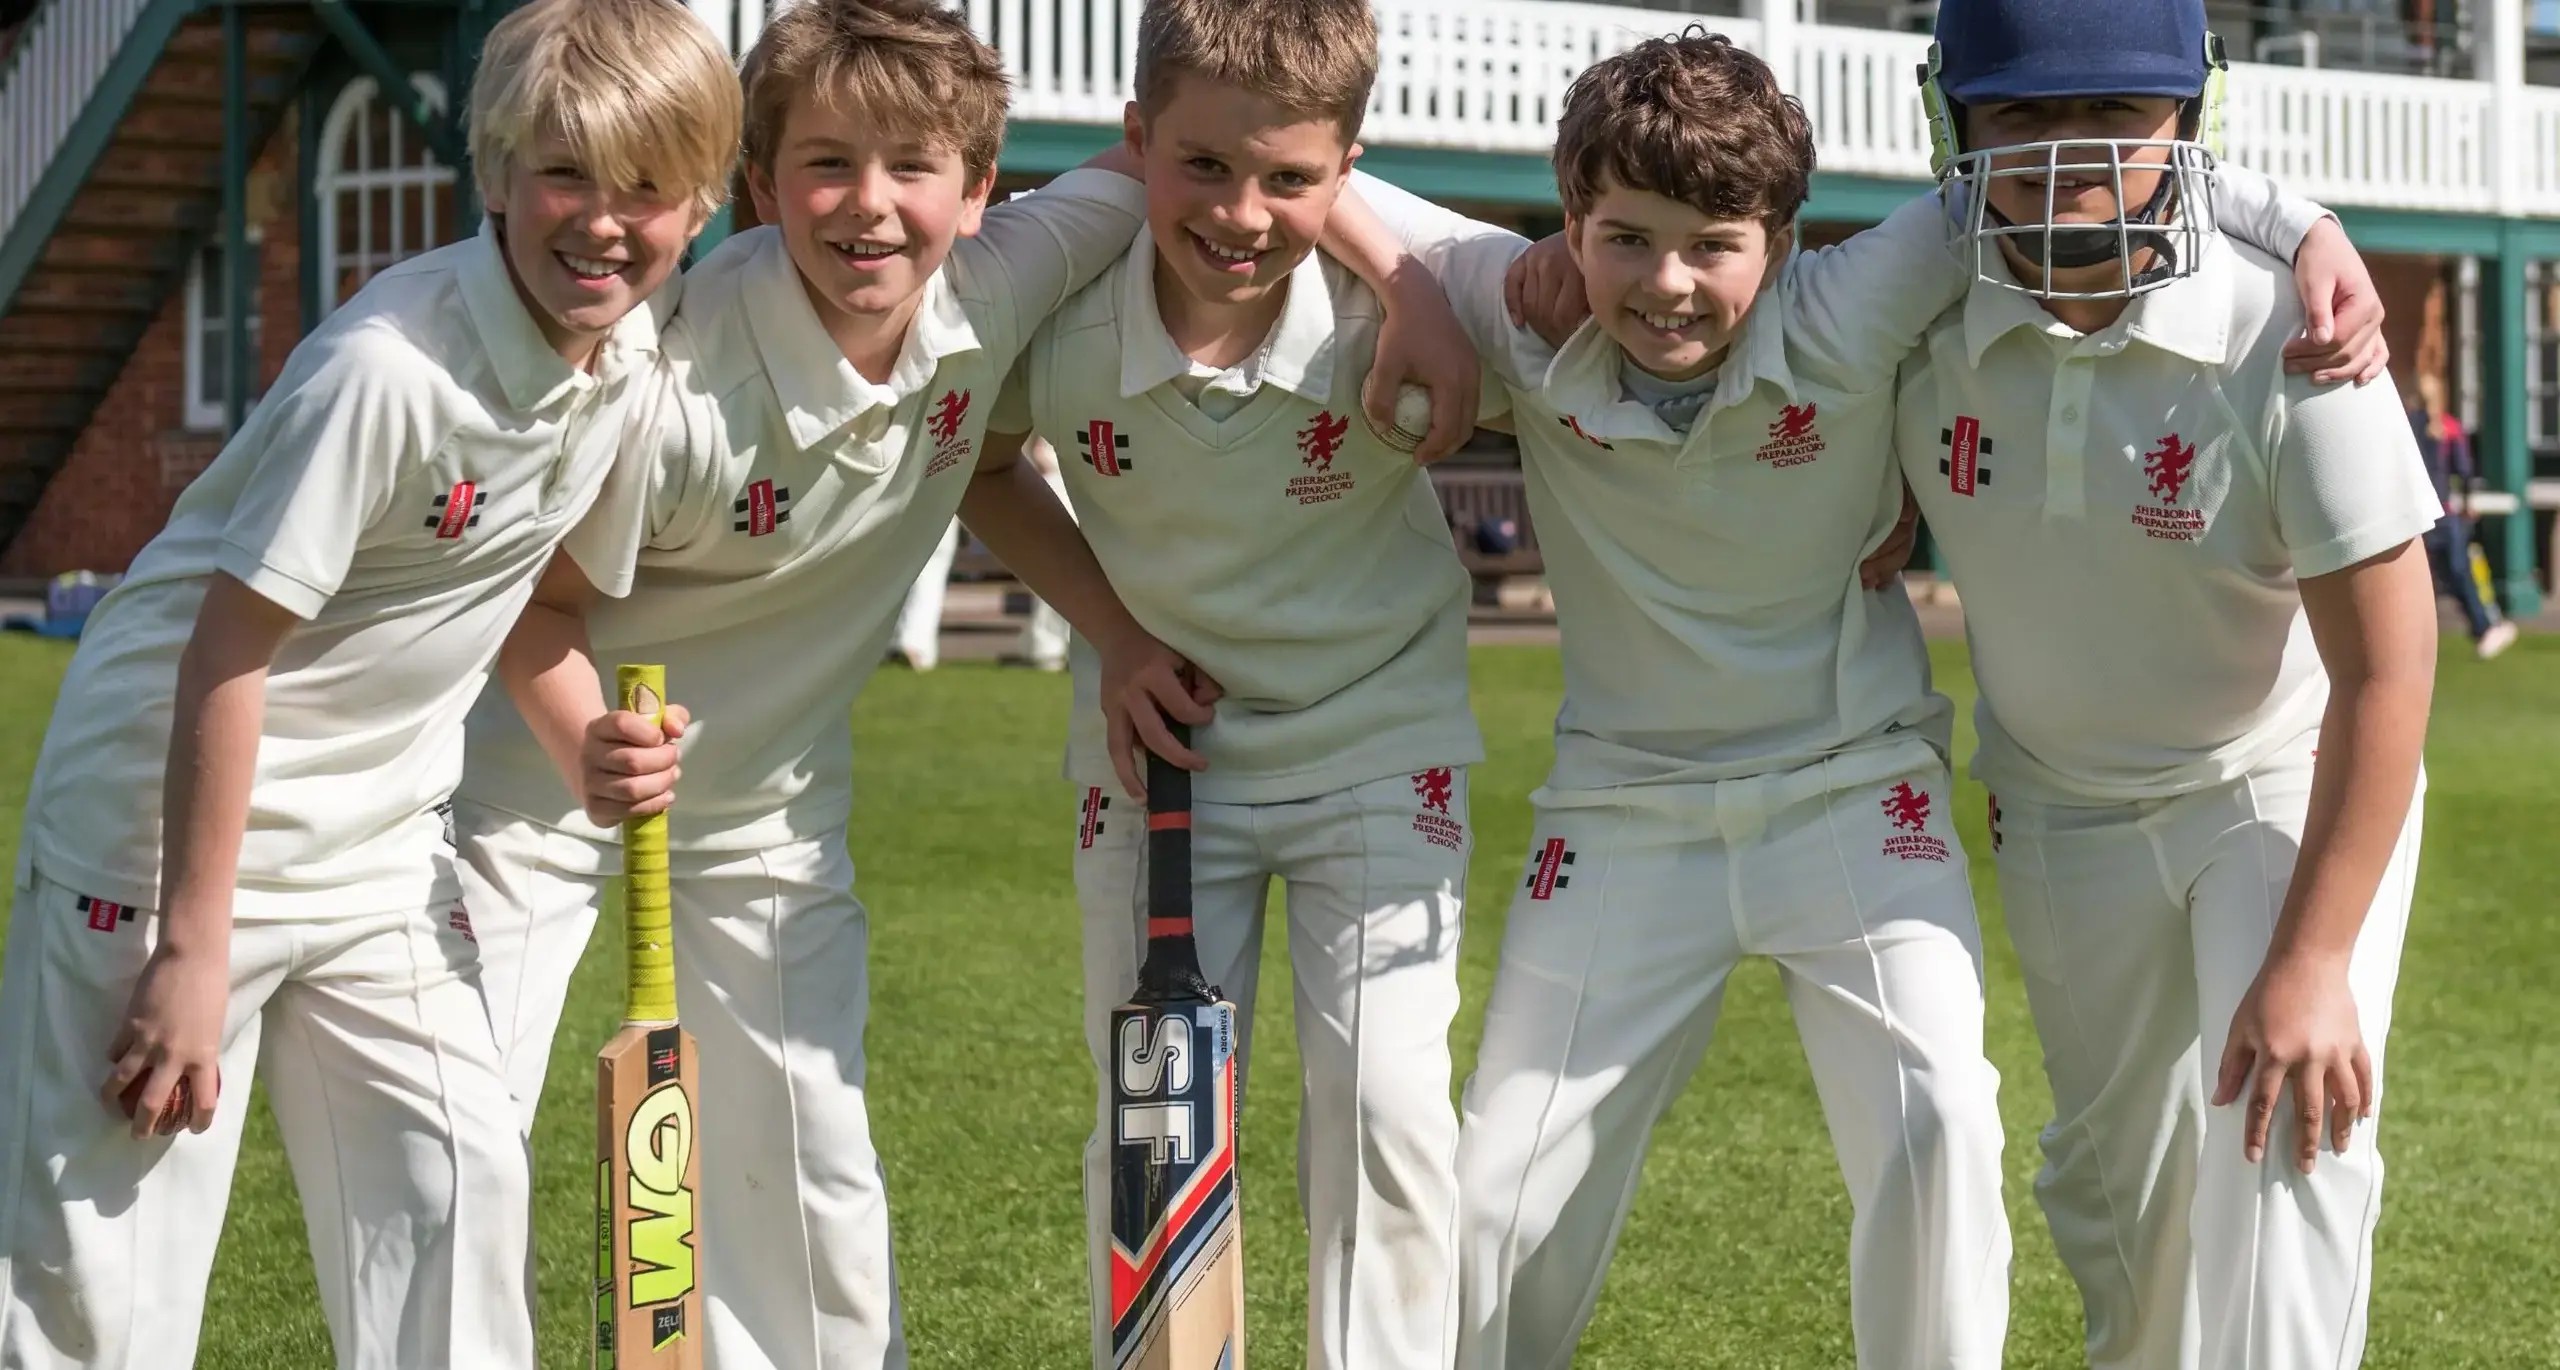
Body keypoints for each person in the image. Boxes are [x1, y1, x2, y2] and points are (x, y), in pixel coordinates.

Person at [1333, 23, 2378, 1368]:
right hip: (1622, 811)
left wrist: (2306, 226)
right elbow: (1302, 169)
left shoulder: (1849, 303)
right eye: (1626, 238)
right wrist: (1408, 279)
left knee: (1940, 1125)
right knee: (1498, 1194)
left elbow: (2072, 168)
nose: (1668, 285)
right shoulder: (1521, 305)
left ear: (1782, 238)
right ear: (1571, 216)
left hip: (1851, 797)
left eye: (1713, 244)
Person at [449, 2, 1475, 1365]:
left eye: (912, 170)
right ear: (760, 183)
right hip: (538, 791)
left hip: (766, 810)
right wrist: (586, 742)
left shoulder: (1000, 277)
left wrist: (1409, 283)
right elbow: (530, 598)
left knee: (815, 1183)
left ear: (981, 191)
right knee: (459, 1148)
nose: (869, 208)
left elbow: (1244, 157)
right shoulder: (666, 377)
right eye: (823, 165)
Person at [0, 1, 739, 1365]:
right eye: (566, 173)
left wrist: (586, 743)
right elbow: (227, 649)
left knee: (456, 1184)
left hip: (382, 851)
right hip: (163, 837)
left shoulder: (626, 362)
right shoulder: (385, 371)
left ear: (701, 204)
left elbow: (514, 590)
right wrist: (189, 946)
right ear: (497, 170)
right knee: (107, 1276)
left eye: (647, 187)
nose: (602, 221)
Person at [1893, 0, 2443, 1363]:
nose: (2067, 160)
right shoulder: (1914, 320)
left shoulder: (2298, 333)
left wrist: (2313, 957)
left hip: (2270, 782)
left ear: (2188, 124)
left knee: (2286, 1148)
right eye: (2019, 118)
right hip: (2059, 807)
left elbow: (2388, 667)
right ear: (1951, 122)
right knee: (2118, 1210)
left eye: (2116, 122)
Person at [986, 0, 1499, 1363]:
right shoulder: (1058, 306)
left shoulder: (1397, 310)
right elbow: (980, 463)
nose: (1240, 214)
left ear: (1349, 173)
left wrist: (1416, 285)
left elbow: (1604, 333)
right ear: (1136, 142)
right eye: (1203, 167)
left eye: (1289, 179)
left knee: (1387, 1107)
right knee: (1155, 1118)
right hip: (1166, 752)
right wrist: (1112, 634)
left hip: (1382, 738)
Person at [2407, 374, 2517, 659]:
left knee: (2429, 577)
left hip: (2420, 514)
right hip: (2441, 513)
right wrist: (2468, 502)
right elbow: (2464, 470)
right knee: (2457, 572)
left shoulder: (2410, 426)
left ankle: (2422, 637)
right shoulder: (2446, 427)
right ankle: (2482, 626)